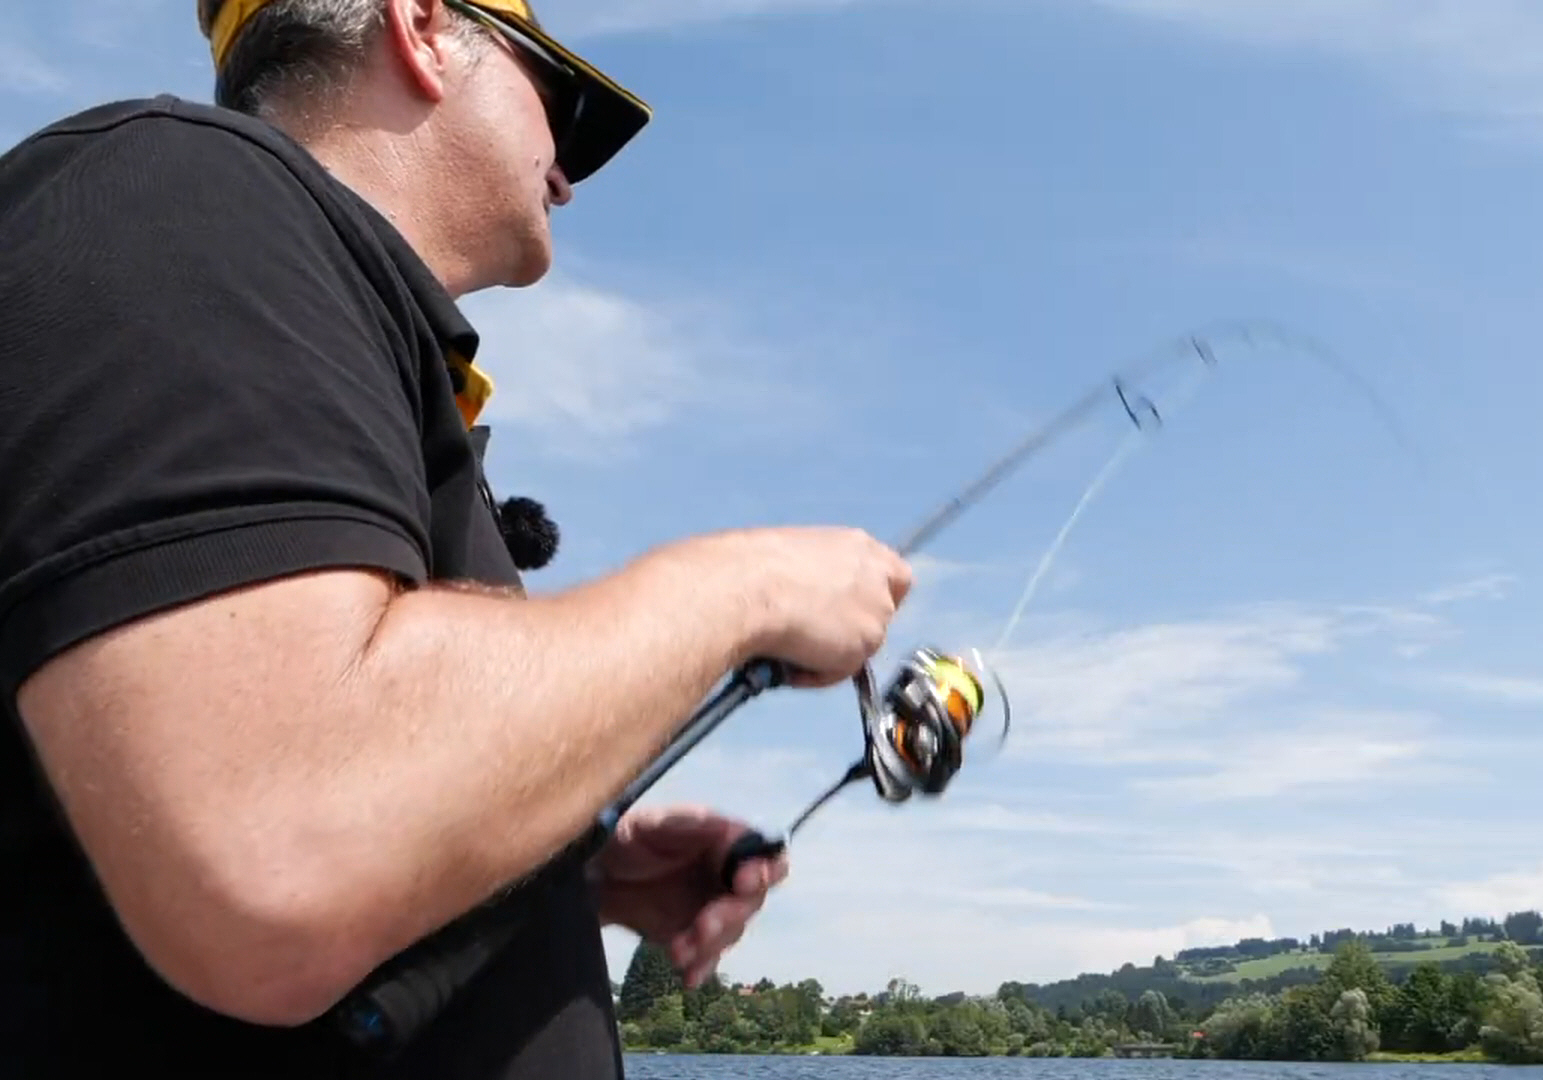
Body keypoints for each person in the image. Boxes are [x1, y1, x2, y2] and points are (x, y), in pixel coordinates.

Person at [0, 0, 914, 1075]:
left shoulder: (310, 324)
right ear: (424, 27)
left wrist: (557, 865)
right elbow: (280, 850)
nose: (568, 173)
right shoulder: (171, 195)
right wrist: (745, 587)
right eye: (559, 104)